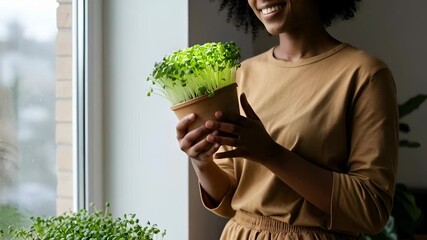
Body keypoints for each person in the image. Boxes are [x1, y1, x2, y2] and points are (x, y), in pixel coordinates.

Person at [176, 0, 399, 239]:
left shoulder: (365, 75)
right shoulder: (242, 73)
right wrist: (202, 161)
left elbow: (371, 209)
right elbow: (229, 196)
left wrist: (270, 154)